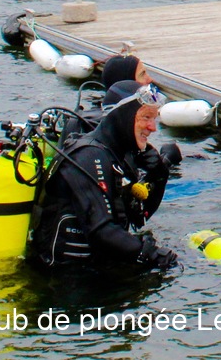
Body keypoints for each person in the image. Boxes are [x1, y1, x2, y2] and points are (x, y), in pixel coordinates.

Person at [31, 81, 178, 272]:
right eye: (146, 117)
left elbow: (138, 217)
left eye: (154, 118)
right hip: (66, 278)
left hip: (96, 269)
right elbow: (102, 230)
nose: (153, 127)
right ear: (123, 116)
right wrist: (148, 254)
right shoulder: (87, 156)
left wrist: (159, 174)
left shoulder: (116, 154)